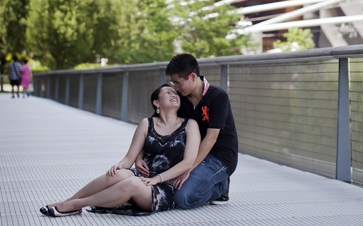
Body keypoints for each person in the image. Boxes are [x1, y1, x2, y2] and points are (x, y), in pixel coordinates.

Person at [39, 85, 200, 217]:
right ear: (156, 103)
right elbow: (129, 158)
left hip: (164, 185)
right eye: (168, 92)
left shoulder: (189, 125)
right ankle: (68, 201)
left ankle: (76, 204)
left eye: (175, 93)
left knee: (132, 183)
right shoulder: (147, 124)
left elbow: (188, 162)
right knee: (118, 174)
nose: (174, 94)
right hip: (143, 176)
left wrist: (157, 179)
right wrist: (119, 165)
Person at [137, 54, 238, 209]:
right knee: (170, 187)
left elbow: (211, 138)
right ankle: (207, 179)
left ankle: (220, 187)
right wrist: (139, 156)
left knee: (183, 198)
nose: (175, 88)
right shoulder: (180, 99)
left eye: (178, 83)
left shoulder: (218, 97)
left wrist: (188, 169)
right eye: (173, 83)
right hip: (190, 154)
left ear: (191, 76)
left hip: (219, 157)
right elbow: (153, 126)